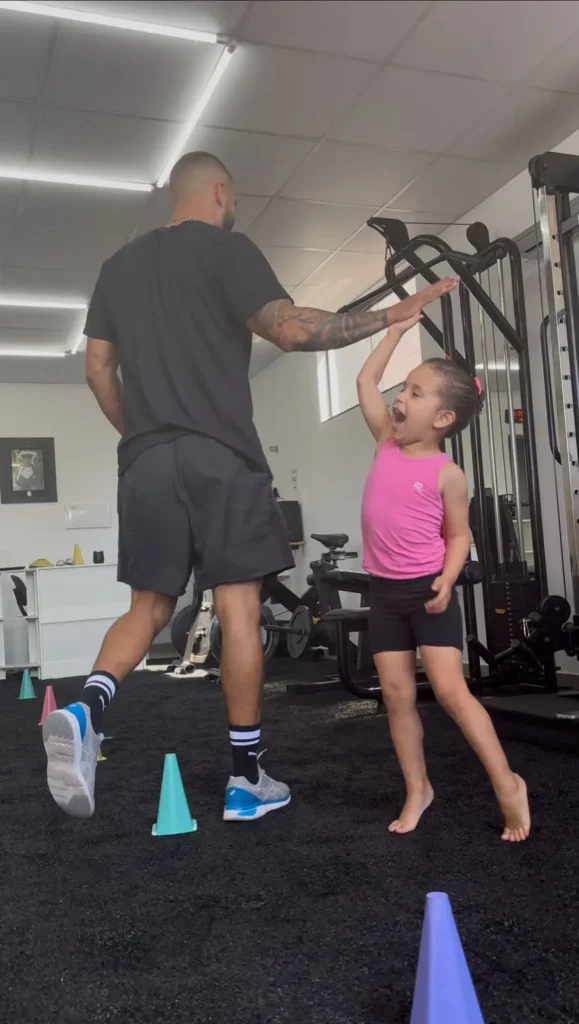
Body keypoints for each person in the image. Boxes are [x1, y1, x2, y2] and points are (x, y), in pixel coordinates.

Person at [43, 150, 456, 824]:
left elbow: (97, 369)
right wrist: (390, 315)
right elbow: (291, 330)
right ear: (218, 192)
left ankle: (88, 709)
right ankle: (244, 780)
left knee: (148, 607)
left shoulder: (117, 267)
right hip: (222, 457)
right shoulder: (226, 249)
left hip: (146, 461)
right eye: (232, 197)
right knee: (238, 610)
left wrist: (141, 435)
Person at [357, 315, 530, 842]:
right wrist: (393, 331)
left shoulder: (447, 474)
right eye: (404, 388)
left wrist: (449, 579)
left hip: (427, 591)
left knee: (452, 692)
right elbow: (365, 380)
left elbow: (458, 536)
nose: (400, 397)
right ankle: (418, 789)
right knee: (396, 695)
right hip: (385, 593)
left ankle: (507, 784)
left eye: (415, 392)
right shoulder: (385, 441)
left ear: (444, 417)